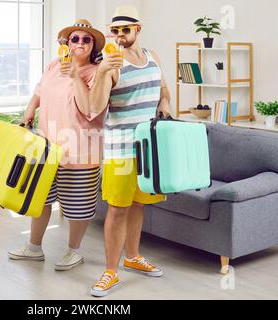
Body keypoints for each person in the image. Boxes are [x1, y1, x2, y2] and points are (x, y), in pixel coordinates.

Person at [8, 19, 106, 271]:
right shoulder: (53, 65)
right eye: (75, 38)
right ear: (67, 43)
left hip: (80, 149)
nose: (81, 43)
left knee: (77, 206)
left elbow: (90, 110)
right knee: (40, 198)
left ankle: (74, 251)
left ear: (93, 46)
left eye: (87, 40)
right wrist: (30, 110)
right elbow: (39, 92)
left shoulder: (97, 72)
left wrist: (75, 76)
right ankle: (33, 248)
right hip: (46, 147)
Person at [88, 5, 171, 297]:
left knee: (139, 205)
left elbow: (162, 86)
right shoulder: (112, 65)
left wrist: (165, 103)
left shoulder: (153, 57)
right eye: (115, 31)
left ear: (138, 29)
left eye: (125, 30)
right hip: (120, 152)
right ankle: (111, 272)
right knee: (118, 209)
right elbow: (93, 109)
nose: (120, 36)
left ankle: (133, 257)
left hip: (147, 149)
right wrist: (101, 72)